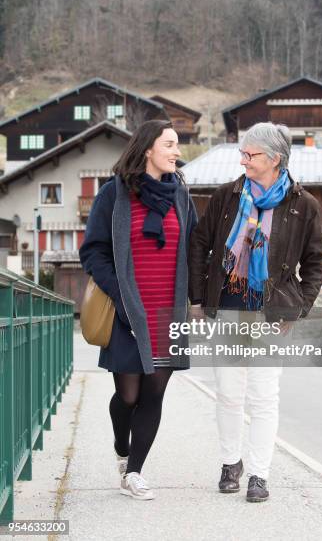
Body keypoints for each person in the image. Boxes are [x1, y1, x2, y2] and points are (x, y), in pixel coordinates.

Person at [188, 122, 322, 502]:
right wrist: (198, 299)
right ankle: (231, 462)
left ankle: (259, 475)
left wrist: (299, 308)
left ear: (275, 159)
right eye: (243, 153)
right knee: (230, 393)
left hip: (272, 311)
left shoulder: (303, 205)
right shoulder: (227, 196)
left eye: (251, 155)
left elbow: (316, 261)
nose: (243, 160)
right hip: (230, 306)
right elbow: (200, 246)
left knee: (265, 395)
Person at [79, 119, 197, 501]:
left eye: (177, 145)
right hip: (126, 310)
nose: (177, 152)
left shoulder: (181, 194)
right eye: (170, 144)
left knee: (154, 395)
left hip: (168, 312)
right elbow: (93, 251)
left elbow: (193, 249)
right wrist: (119, 293)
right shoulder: (114, 195)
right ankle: (121, 445)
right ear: (148, 149)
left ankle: (134, 472)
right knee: (128, 395)